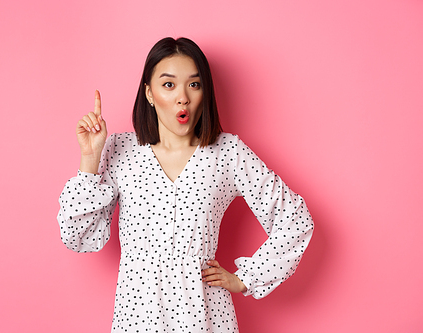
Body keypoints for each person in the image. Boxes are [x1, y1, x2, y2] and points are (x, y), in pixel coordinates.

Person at [57, 37, 313, 332]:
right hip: (138, 316)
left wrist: (247, 278)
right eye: (169, 85)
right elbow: (77, 237)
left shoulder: (227, 152)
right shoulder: (119, 149)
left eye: (194, 84)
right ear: (149, 93)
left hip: (204, 316)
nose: (183, 98)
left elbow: (295, 220)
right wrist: (90, 158)